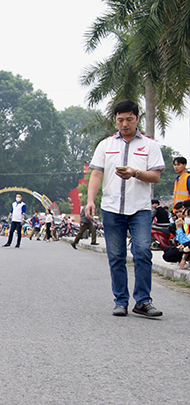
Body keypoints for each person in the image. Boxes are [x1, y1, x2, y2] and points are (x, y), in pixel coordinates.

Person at [86, 99, 165, 317]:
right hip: (112, 208)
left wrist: (135, 173)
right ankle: (120, 301)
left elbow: (156, 176)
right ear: (116, 120)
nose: (124, 124)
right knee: (116, 256)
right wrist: (90, 200)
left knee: (142, 251)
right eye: (120, 120)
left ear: (137, 118)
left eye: (129, 119)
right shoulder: (106, 145)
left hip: (139, 208)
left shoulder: (150, 145)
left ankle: (143, 301)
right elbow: (96, 174)